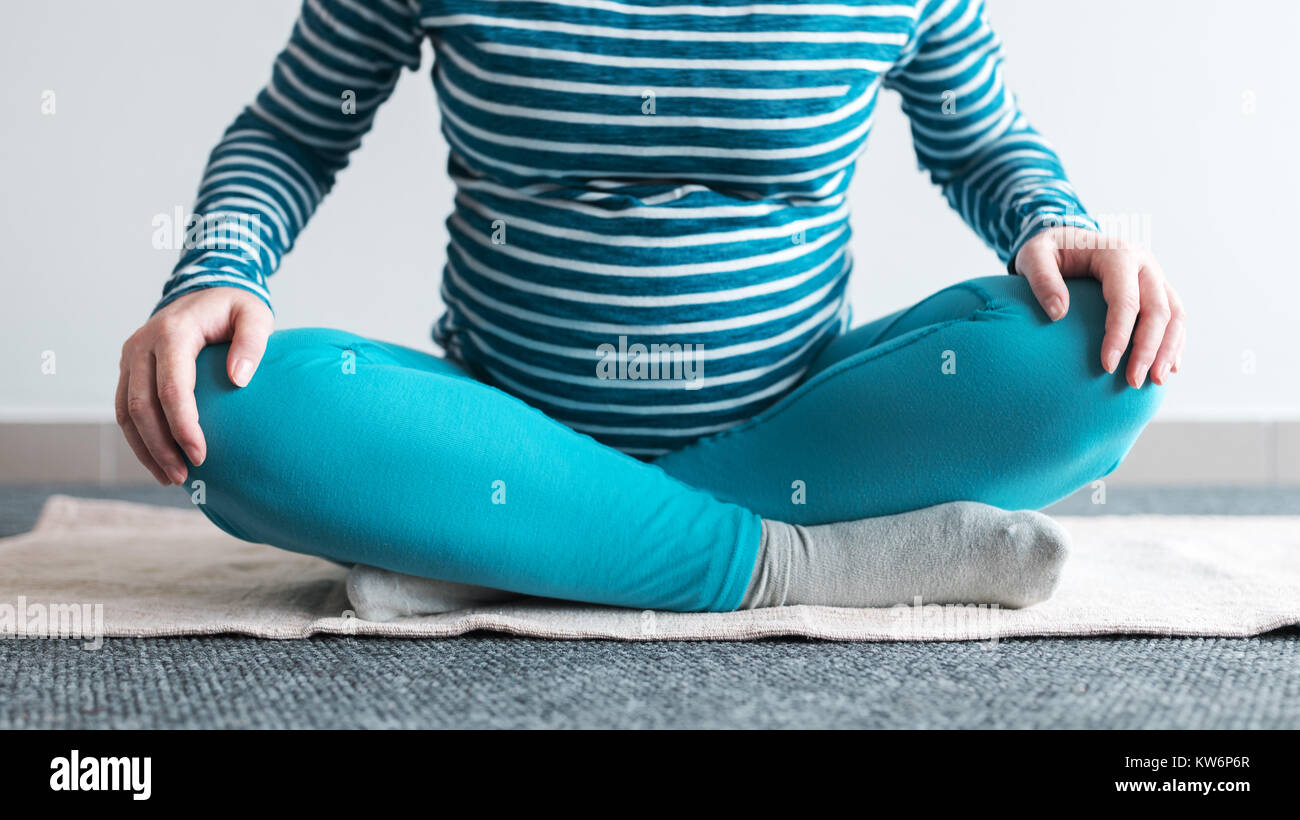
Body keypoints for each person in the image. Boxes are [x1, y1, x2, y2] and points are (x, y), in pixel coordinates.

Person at [116, 0, 1183, 618]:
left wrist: (1055, 219)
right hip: (502, 428)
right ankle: (788, 563)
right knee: (222, 406)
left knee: (1095, 350)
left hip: (802, 426)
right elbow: (294, 131)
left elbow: (982, 138)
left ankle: (515, 549)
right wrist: (216, 273)